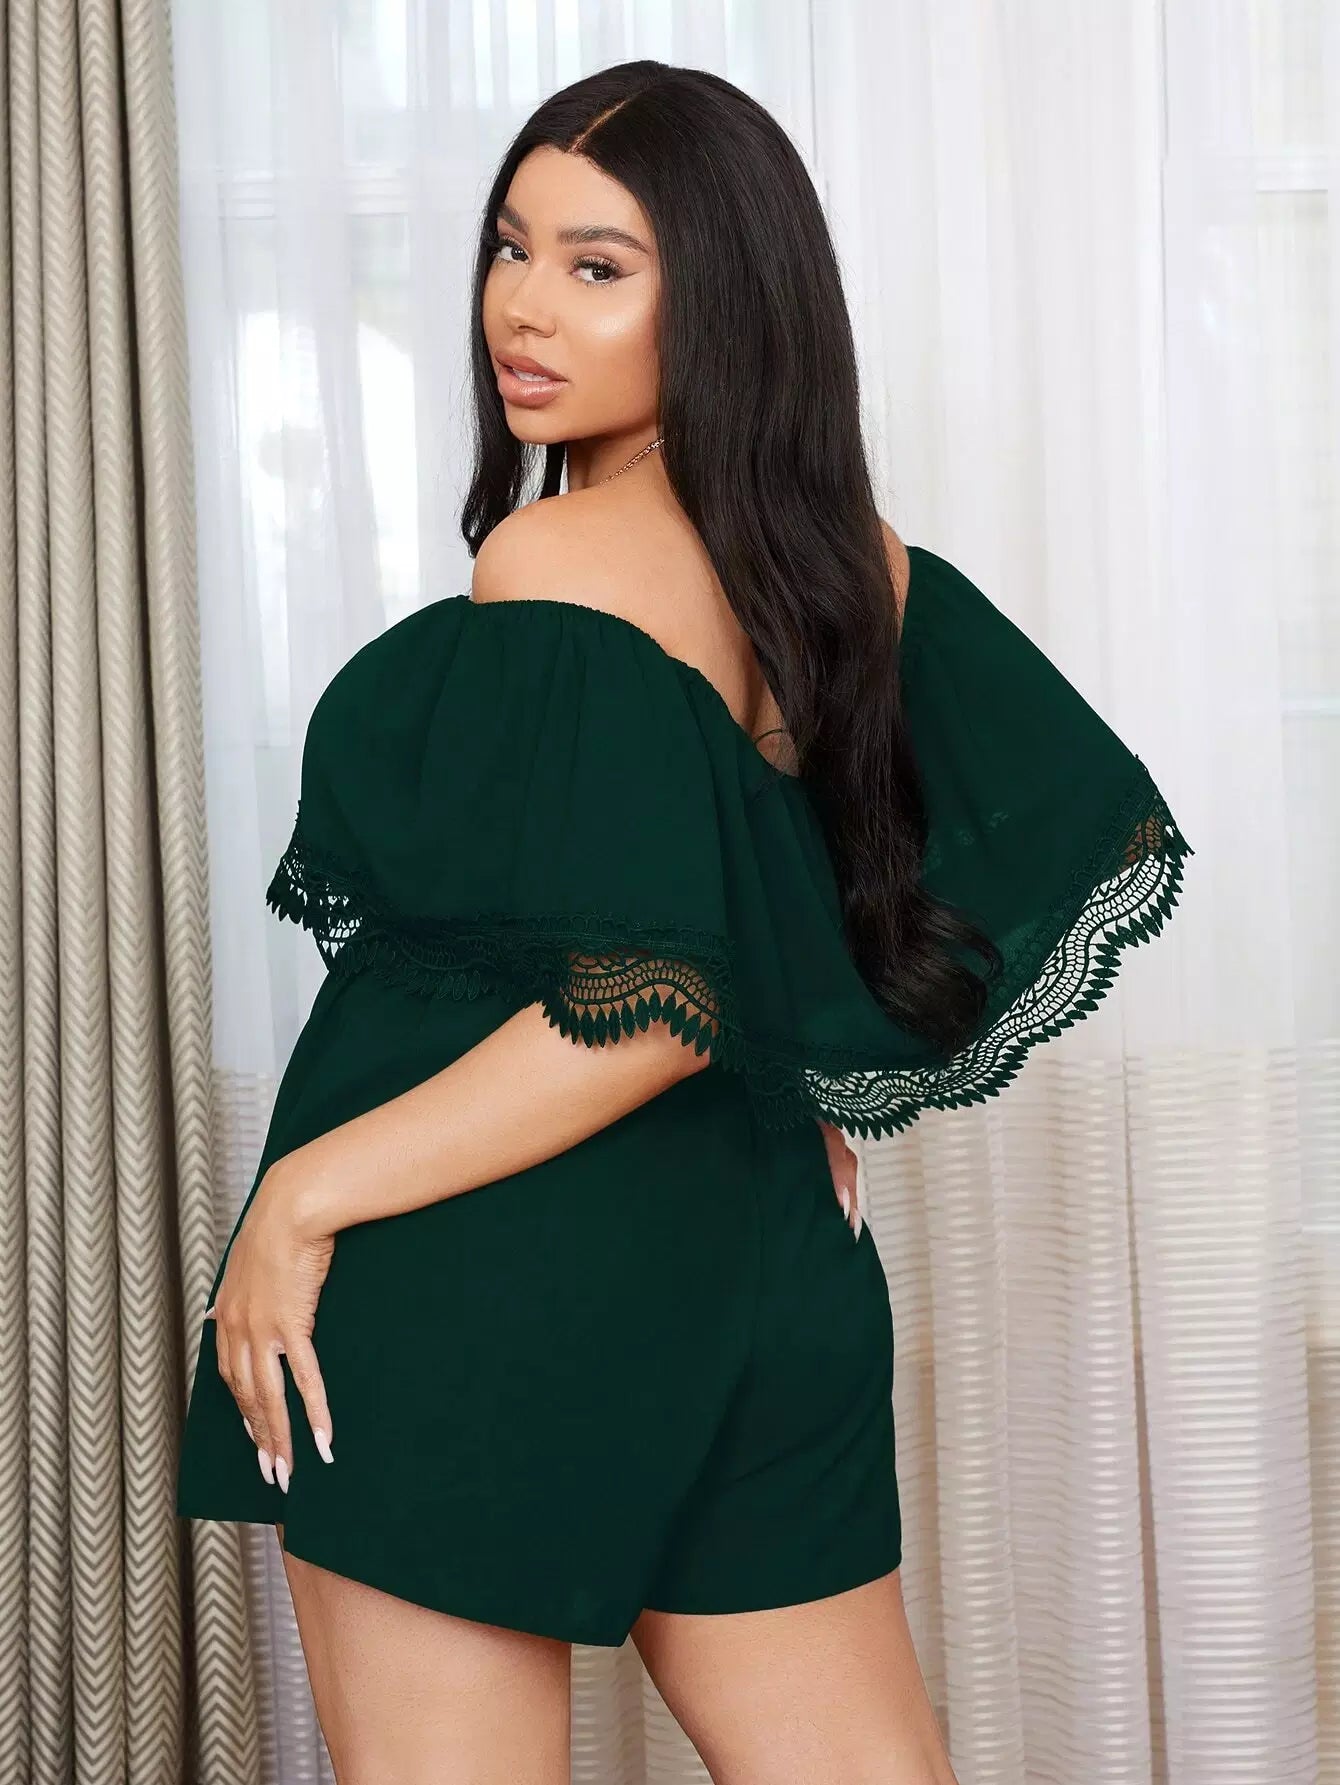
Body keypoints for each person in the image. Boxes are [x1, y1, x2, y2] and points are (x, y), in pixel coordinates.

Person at [176, 59, 1193, 1785]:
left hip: (478, 1265)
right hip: (770, 1267)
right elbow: (888, 873)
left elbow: (648, 1008)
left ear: (720, 297)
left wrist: (301, 1193)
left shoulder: (555, 565)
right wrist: (799, 1081)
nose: (523, 306)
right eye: (512, 247)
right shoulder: (841, 559)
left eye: (598, 266)